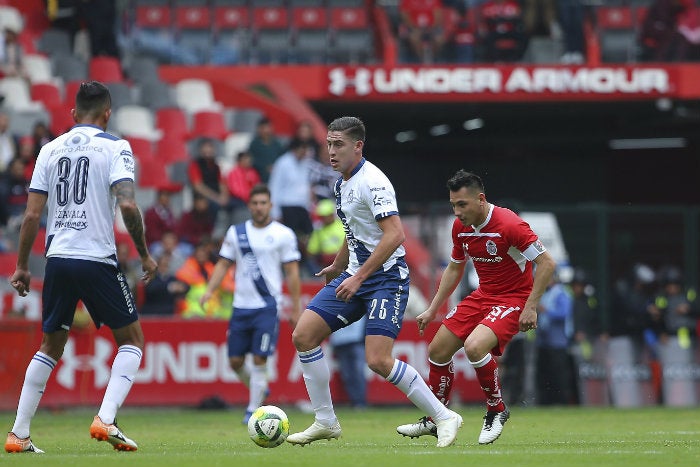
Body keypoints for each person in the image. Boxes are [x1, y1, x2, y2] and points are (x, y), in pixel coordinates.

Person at [286, 116, 462, 448]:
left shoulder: (373, 182)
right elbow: (353, 229)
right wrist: (339, 265)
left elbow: (395, 235)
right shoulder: (340, 182)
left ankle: (443, 416)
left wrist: (358, 276)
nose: (331, 152)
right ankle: (325, 421)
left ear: (358, 146)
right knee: (303, 336)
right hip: (355, 275)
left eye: (338, 145)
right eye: (328, 145)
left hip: (385, 279)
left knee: (377, 360)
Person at [4, 81, 158, 454]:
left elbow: (31, 216)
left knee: (51, 345)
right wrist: (143, 253)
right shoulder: (116, 146)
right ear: (107, 114)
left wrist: (24, 265)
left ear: (73, 114)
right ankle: (106, 418)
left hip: (57, 259)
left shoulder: (49, 150)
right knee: (133, 341)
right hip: (96, 258)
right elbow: (127, 206)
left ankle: (18, 434)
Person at [395, 170, 555, 445]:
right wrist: (433, 308)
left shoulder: (509, 224)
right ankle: (437, 419)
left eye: (462, 205)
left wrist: (531, 307)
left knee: (474, 346)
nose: (457, 212)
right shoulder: (460, 227)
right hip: (483, 296)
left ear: (480, 199)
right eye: (453, 205)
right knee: (438, 349)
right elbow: (455, 267)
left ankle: (496, 410)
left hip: (514, 298)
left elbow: (547, 263)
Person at [199, 183, 302, 424]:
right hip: (240, 305)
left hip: (267, 305)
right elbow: (223, 264)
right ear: (249, 205)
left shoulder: (283, 234)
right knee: (235, 361)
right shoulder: (237, 233)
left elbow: (292, 272)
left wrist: (296, 307)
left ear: (270, 205)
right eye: (254, 203)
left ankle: (253, 408)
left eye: (263, 203)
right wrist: (209, 290)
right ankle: (260, 390)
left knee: (259, 358)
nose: (258, 207)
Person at [535, 268, 574, 405]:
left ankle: (561, 401)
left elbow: (563, 313)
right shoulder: (546, 294)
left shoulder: (561, 293)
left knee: (559, 374)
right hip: (544, 341)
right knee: (545, 373)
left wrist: (547, 311)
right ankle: (546, 401)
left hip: (558, 341)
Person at [330, 315, 368, 409]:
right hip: (341, 342)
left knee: (358, 372)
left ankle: (360, 401)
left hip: (356, 341)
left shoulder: (361, 302)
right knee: (347, 374)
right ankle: (355, 401)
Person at [307, 198, 345, 270]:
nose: (323, 219)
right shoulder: (318, 230)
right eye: (321, 216)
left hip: (342, 262)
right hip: (325, 264)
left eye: (325, 216)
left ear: (331, 214)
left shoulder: (342, 226)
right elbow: (311, 251)